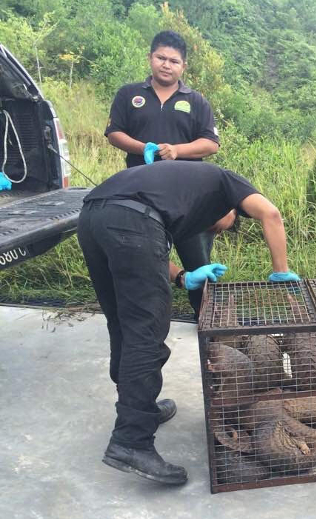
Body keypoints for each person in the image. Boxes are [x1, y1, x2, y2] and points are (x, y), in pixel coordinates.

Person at [78, 161, 300, 485]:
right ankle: (131, 441)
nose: (216, 229)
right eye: (221, 226)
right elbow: (271, 214)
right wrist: (280, 269)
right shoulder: (227, 182)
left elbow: (144, 243)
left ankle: (139, 407)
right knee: (146, 332)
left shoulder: (176, 193)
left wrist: (183, 277)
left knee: (124, 324)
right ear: (233, 209)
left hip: (93, 216)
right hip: (129, 221)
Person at [105, 30, 221, 319]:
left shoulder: (196, 101)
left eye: (174, 60)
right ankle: (149, 317)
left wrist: (177, 151)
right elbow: (113, 133)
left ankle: (206, 318)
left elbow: (211, 143)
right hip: (140, 195)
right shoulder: (129, 94)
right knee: (144, 253)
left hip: (187, 197)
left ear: (183, 66)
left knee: (197, 260)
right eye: (161, 58)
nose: (166, 65)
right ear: (150, 58)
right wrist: (142, 146)